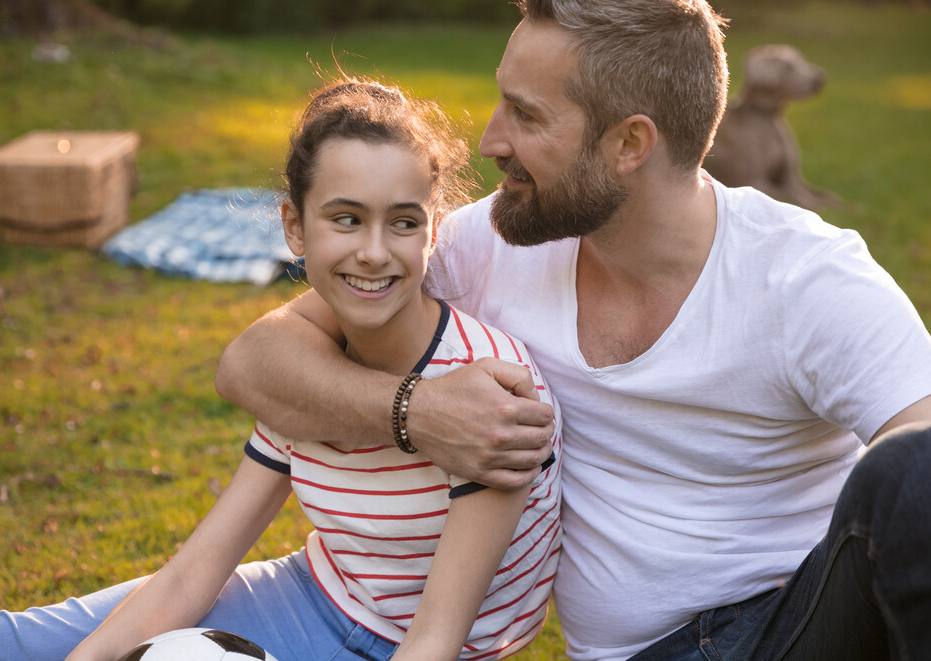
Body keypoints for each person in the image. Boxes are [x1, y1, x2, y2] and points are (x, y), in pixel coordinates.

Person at [212, 1, 931, 660]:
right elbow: (252, 363)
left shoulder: (804, 278)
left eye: (525, 116)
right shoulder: (491, 243)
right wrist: (416, 411)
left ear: (629, 144)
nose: (490, 140)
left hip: (786, 633)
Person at [0, 79, 562, 661]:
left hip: (419, 646)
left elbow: (435, 641)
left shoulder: (493, 388)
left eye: (403, 222)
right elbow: (191, 575)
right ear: (294, 227)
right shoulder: (308, 371)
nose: (374, 252)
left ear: (433, 235)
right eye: (345, 218)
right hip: (313, 596)